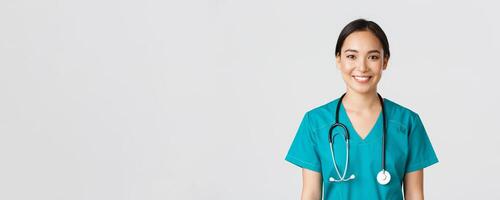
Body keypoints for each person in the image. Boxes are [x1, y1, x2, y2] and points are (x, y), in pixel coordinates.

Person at [285, 19, 439, 200]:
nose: (362, 67)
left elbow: (415, 195)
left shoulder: (407, 123)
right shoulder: (315, 122)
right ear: (338, 60)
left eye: (373, 57)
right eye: (352, 56)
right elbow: (310, 194)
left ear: (385, 61)